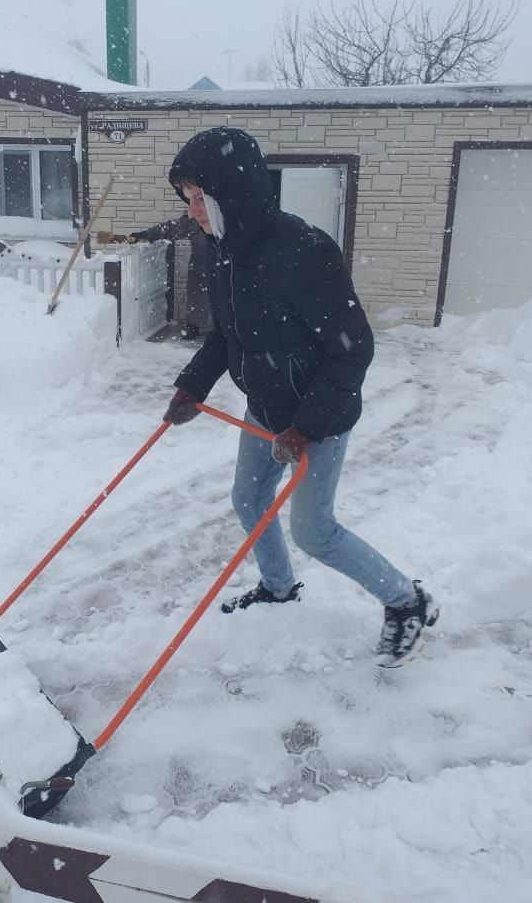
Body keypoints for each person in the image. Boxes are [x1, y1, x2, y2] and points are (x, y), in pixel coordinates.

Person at [161, 127, 438, 668]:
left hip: (318, 416)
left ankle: (408, 601)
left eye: (200, 196)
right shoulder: (222, 252)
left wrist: (306, 427)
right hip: (264, 407)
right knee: (248, 500)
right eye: (186, 198)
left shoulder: (305, 251)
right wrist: (192, 386)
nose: (192, 210)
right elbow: (227, 335)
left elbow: (352, 351)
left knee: (315, 531)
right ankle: (278, 587)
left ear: (230, 192)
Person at [97, 215, 211, 339]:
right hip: (200, 271)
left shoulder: (226, 217)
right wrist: (143, 235)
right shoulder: (195, 218)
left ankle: (224, 329)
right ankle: (193, 327)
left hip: (222, 269)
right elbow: (169, 228)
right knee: (197, 294)